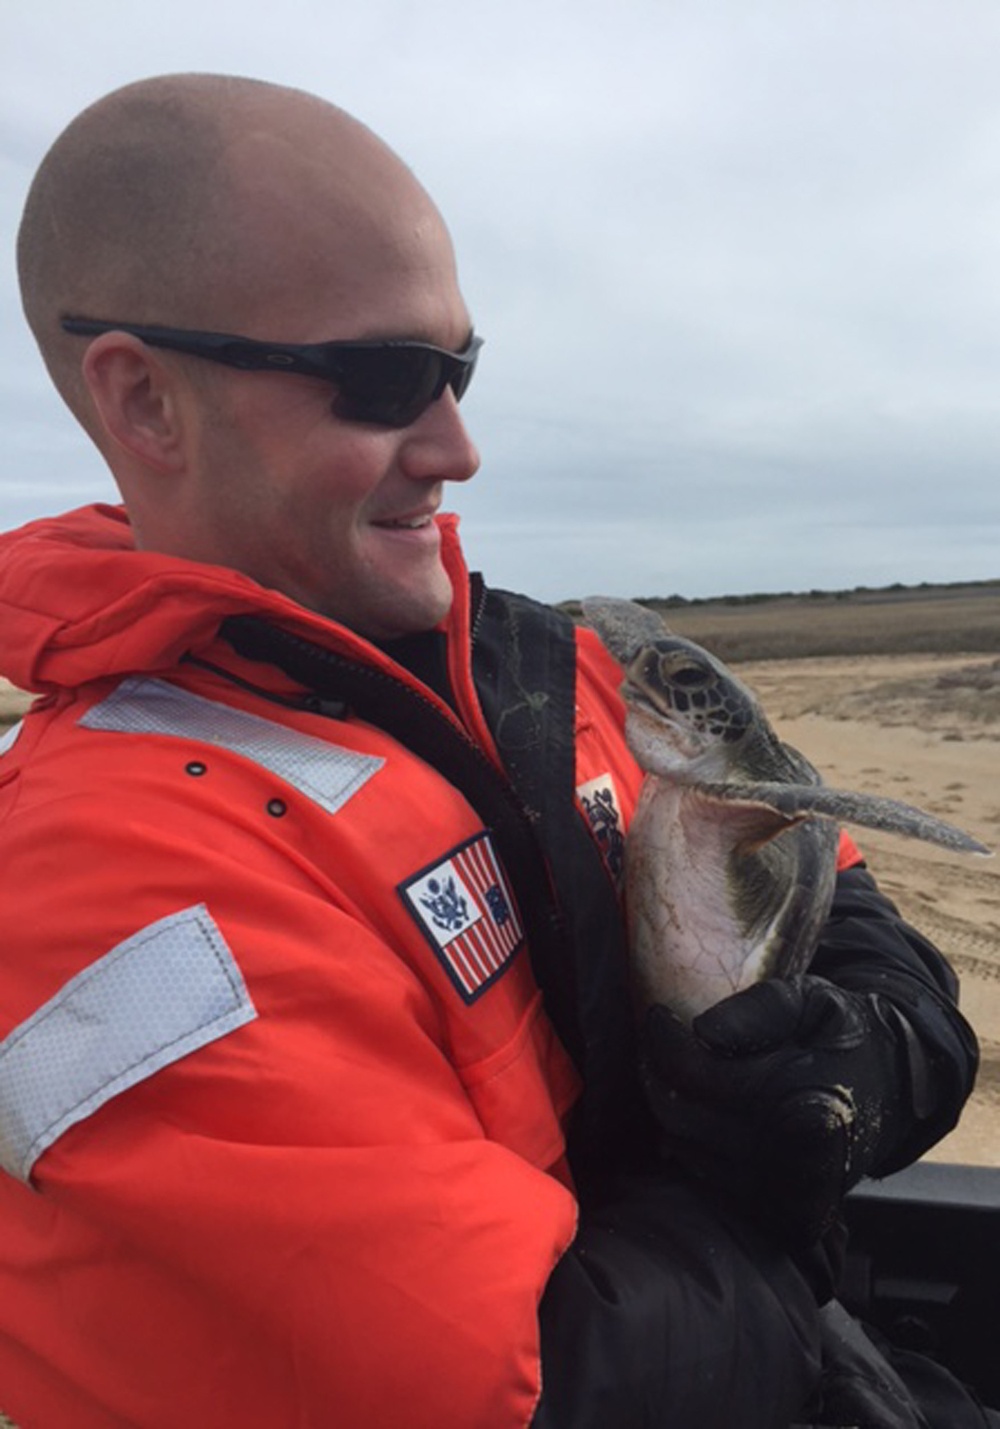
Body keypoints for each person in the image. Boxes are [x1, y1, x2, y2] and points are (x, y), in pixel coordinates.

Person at [0, 73, 988, 1429]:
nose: (460, 445)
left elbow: (870, 932)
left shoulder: (561, 664)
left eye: (461, 369)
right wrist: (770, 1218)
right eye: (387, 378)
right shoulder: (100, 882)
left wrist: (848, 1079)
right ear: (145, 402)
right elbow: (532, 1388)